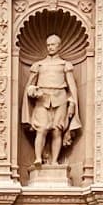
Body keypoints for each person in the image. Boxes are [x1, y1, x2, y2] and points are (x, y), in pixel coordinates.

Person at [21, 34, 81, 167]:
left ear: (59, 46)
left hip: (60, 98)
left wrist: (73, 103)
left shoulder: (65, 65)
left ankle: (54, 161)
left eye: (53, 44)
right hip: (42, 98)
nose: (50, 47)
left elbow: (72, 87)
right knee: (41, 129)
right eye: (48, 45)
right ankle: (37, 158)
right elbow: (29, 86)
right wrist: (32, 91)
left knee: (57, 130)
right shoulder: (39, 65)